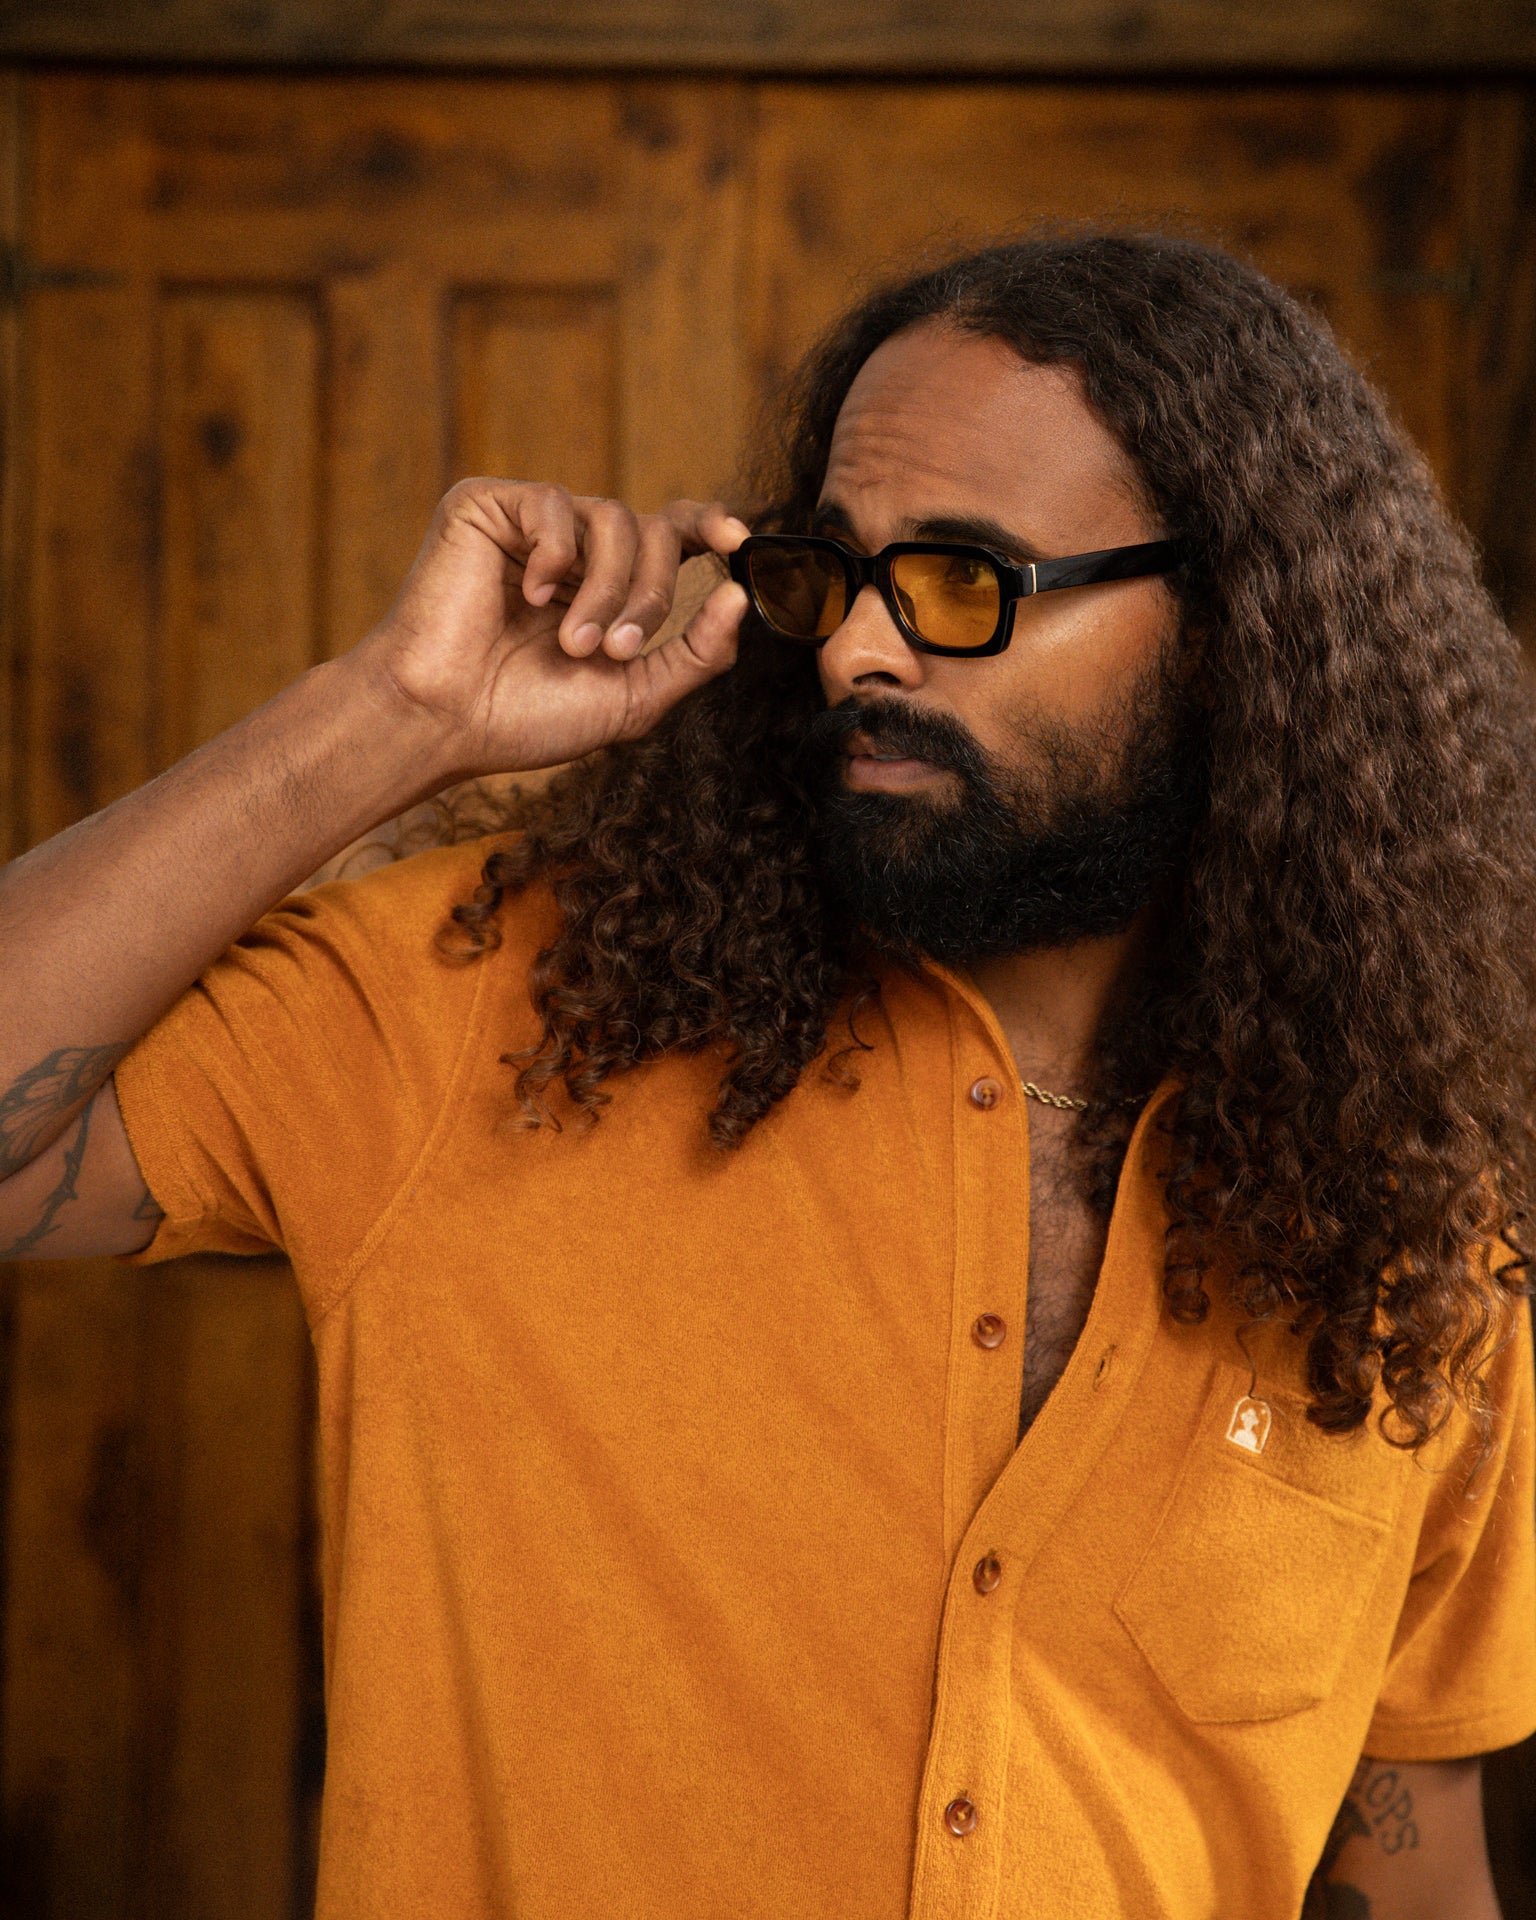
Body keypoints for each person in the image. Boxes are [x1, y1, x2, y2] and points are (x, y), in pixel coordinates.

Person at [0, 229, 1532, 1919]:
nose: (857, 654)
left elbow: (1417, 1859)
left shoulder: (1413, 1222)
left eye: (964, 579)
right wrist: (398, 709)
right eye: (834, 572)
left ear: (1246, 628)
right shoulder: (497, 1006)